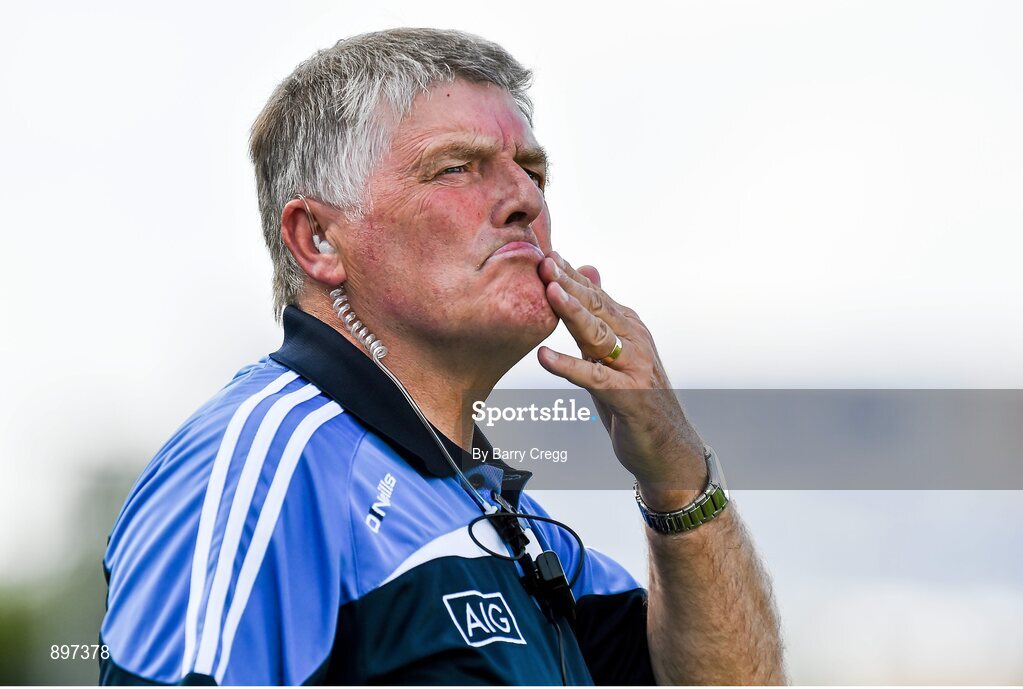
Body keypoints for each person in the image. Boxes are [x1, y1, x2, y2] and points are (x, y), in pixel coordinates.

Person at [99, 28, 784, 685]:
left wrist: (676, 476)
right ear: (317, 241)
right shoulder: (262, 463)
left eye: (531, 170)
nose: (523, 199)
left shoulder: (517, 527)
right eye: (456, 167)